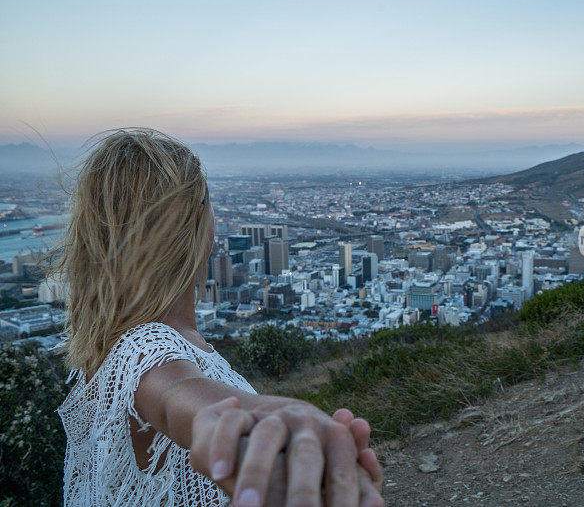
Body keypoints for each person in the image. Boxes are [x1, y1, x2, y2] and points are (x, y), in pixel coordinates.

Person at [53, 128, 384, 506]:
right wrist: (281, 420)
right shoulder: (143, 349)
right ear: (197, 221)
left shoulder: (114, 343)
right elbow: (177, 396)